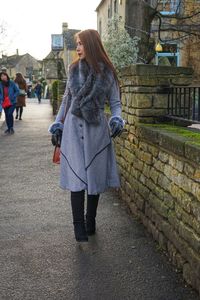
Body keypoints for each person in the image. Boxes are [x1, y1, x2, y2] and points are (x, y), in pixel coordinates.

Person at [49, 29, 124, 243]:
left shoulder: (108, 72)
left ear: (91, 45)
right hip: (73, 129)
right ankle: (78, 227)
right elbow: (66, 101)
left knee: (94, 176)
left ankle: (90, 220)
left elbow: (116, 104)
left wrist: (117, 120)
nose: (78, 48)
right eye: (77, 44)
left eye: (81, 43)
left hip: (96, 130)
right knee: (77, 177)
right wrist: (57, 124)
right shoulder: (73, 70)